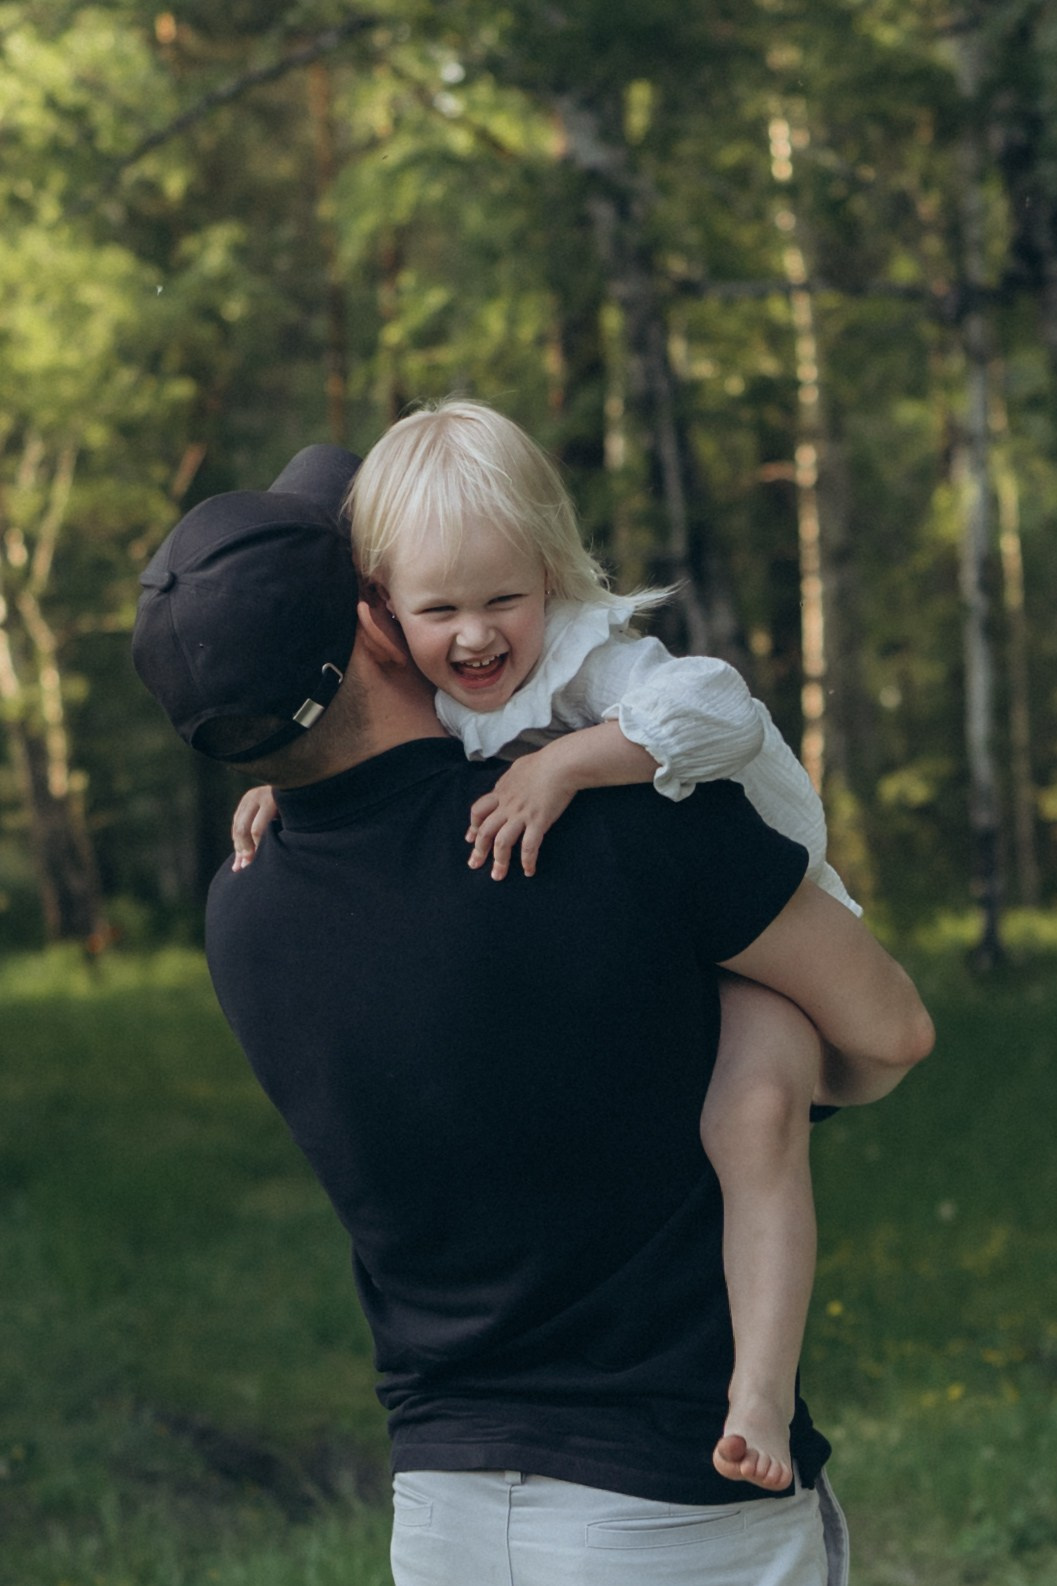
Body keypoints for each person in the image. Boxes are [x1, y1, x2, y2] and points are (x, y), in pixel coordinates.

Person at [132, 440, 933, 1586]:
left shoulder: (241, 908)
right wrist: (777, 1076)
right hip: (671, 1502)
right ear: (372, 626)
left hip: (442, 1505)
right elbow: (892, 1030)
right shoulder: (616, 818)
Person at [231, 399, 859, 1493]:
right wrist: (284, 789)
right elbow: (358, 756)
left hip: (768, 929)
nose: (476, 636)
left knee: (750, 1123)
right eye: (440, 610)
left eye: (503, 600)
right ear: (381, 613)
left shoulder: (588, 665)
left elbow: (725, 712)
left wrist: (571, 761)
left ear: (551, 576)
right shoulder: (437, 688)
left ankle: (758, 1389)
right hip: (668, 950)